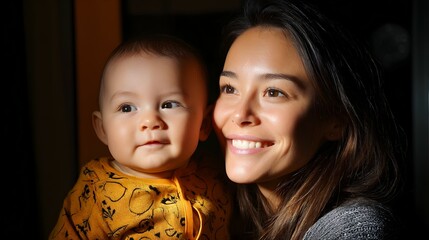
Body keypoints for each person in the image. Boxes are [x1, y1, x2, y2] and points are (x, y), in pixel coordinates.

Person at [213, 0, 405, 239]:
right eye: (230, 88)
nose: (241, 114)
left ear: (337, 119)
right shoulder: (217, 212)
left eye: (274, 92)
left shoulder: (350, 229)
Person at [49, 34, 232, 240]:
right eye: (127, 107)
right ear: (103, 129)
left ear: (204, 124)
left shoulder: (216, 173)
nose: (150, 121)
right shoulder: (95, 191)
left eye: (169, 104)